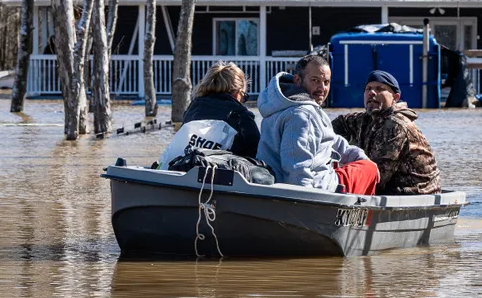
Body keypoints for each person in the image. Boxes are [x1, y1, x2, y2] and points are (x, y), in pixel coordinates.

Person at [256, 55, 380, 195]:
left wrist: (359, 156)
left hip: (294, 184)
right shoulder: (303, 114)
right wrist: (308, 205)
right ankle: (363, 215)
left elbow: (333, 141)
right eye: (315, 80)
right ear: (297, 80)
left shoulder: (281, 104)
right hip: (314, 190)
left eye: (326, 82)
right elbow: (297, 170)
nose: (322, 88)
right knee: (368, 169)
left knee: (366, 164)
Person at [332, 70, 441, 195]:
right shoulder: (365, 119)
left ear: (395, 98)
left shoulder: (396, 125)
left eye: (380, 89)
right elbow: (337, 125)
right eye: (368, 89)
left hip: (415, 192)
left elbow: (378, 176)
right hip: (392, 189)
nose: (372, 92)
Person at [182, 61, 260, 158]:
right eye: (244, 96)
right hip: (224, 171)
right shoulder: (241, 116)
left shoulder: (192, 109)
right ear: (237, 93)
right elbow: (257, 153)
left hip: (188, 168)